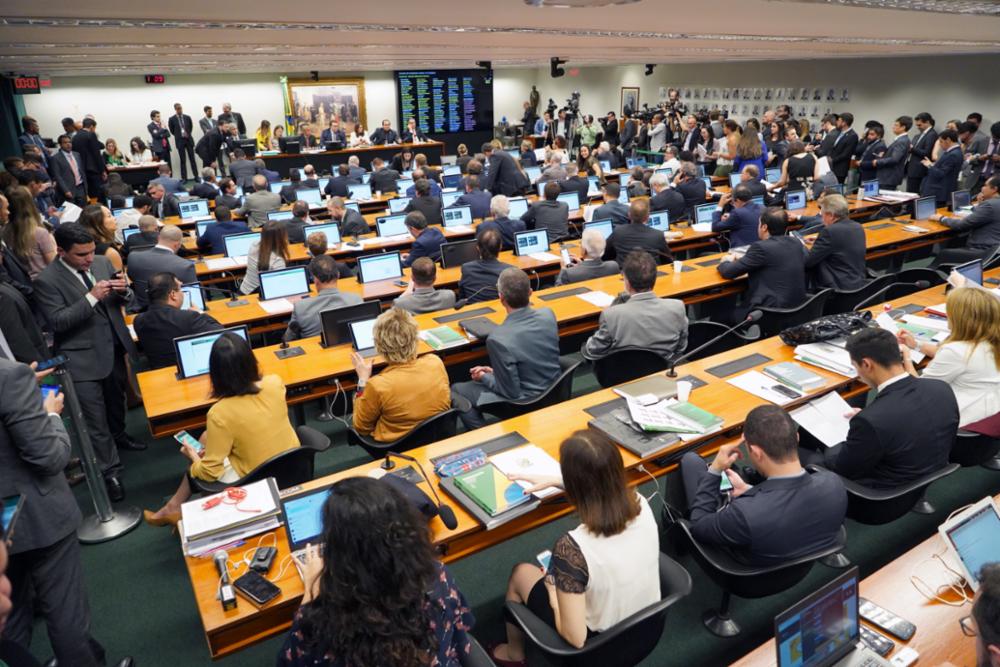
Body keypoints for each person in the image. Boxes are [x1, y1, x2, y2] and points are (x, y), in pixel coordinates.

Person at [0, 358, 133, 667]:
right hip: (37, 516)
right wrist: (50, 416)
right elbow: (50, 457)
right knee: (66, 617)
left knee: (9, 621)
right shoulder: (9, 377)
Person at [492, 430, 659, 664]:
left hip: (598, 652)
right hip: (647, 632)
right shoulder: (641, 503)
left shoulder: (572, 549)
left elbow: (575, 638)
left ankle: (513, 654)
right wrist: (557, 481)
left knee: (520, 574)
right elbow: (603, 487)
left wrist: (552, 593)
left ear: (575, 484)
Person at [276, 477, 474, 667]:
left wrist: (310, 590)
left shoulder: (321, 623)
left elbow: (288, 662)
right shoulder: (438, 576)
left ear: (339, 551)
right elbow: (463, 627)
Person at [144, 332, 300, 526]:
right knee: (205, 438)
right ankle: (174, 506)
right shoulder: (275, 382)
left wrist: (193, 457)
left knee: (198, 467)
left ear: (216, 373)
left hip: (253, 477)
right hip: (292, 463)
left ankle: (195, 514)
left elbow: (210, 473)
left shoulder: (220, 413)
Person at [33, 223, 141, 502]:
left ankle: (120, 436)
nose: (90, 259)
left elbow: (126, 299)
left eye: (92, 251)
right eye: (82, 255)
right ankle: (110, 471)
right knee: (94, 418)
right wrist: (92, 297)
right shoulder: (47, 280)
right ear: (61, 251)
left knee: (116, 401)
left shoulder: (104, 261)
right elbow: (57, 321)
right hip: (81, 358)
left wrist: (123, 291)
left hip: (115, 346)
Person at [679, 405, 847, 565]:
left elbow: (698, 525)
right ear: (796, 438)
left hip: (752, 574)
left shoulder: (744, 513)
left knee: (690, 461)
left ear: (757, 453)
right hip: (800, 562)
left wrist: (715, 470)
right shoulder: (833, 483)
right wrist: (750, 491)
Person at [800, 328, 959, 488]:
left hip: (878, 493)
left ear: (867, 364)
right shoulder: (941, 388)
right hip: (921, 474)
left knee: (791, 454)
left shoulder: (872, 420)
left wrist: (861, 429)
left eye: (855, 366)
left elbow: (844, 469)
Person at [452, 267, 560, 430]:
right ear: (530, 292)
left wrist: (483, 377)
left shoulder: (497, 339)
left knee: (457, 390)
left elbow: (510, 392)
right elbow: (529, 357)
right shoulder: (548, 314)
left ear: (500, 298)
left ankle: (482, 435)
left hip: (523, 402)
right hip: (553, 390)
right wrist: (495, 372)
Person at [897, 287, 1000, 427]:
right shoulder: (989, 340)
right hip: (988, 419)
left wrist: (906, 357)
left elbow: (919, 392)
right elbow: (956, 358)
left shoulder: (955, 351)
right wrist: (916, 344)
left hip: (960, 424)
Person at [351, 308, 451, 442]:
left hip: (397, 446)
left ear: (379, 346)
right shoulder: (435, 362)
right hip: (437, 436)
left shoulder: (377, 385)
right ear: (415, 339)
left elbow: (361, 427)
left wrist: (362, 380)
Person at [582, 251, 687, 362]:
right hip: (662, 371)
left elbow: (592, 351)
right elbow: (681, 348)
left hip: (622, 375)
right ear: (655, 279)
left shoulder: (611, 315)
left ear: (627, 282)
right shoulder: (677, 307)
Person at [717, 207, 806, 320]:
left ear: (764, 227)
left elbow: (728, 272)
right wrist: (746, 258)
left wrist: (725, 261)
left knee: (719, 316)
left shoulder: (760, 247)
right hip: (797, 308)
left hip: (768, 312)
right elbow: (776, 257)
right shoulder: (796, 242)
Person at [133, 273, 222, 369]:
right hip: (188, 371)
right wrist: (200, 313)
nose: (183, 293)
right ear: (173, 295)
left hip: (158, 376)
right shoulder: (188, 318)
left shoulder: (138, 321)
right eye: (181, 289)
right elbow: (220, 332)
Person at [279, 254, 363, 342]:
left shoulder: (300, 307)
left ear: (315, 280)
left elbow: (288, 340)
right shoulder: (356, 299)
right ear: (338, 275)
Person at [124, 225, 196, 312]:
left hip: (142, 311)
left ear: (158, 238)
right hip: (173, 314)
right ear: (177, 245)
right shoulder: (185, 265)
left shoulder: (133, 257)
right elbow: (194, 295)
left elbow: (131, 278)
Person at [804, 194, 866, 291]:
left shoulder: (829, 232)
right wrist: (820, 241)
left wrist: (802, 247)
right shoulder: (858, 227)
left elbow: (809, 262)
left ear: (831, 215)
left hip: (836, 288)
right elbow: (841, 243)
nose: (821, 216)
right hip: (857, 283)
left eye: (822, 213)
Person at [935, 175, 1000, 264]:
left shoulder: (989, 205)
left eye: (985, 185)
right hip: (995, 251)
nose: (982, 188)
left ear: (994, 189)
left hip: (983, 250)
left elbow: (961, 225)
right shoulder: (990, 204)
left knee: (944, 253)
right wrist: (981, 204)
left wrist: (941, 218)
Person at [1, 187, 55, 280]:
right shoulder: (40, 233)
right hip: (47, 282)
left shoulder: (4, 232)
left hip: (26, 283)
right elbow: (54, 265)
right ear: (30, 204)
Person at [606, 198, 672, 263]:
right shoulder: (658, 235)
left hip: (625, 272)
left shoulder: (618, 231)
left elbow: (605, 250)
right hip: (649, 272)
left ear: (629, 215)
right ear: (648, 217)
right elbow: (668, 259)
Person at [240, 220, 289, 294]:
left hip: (245, 290)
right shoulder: (277, 261)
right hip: (260, 295)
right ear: (282, 237)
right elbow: (279, 285)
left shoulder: (254, 245)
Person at [712, 185, 764, 249]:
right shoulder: (763, 207)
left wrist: (720, 205)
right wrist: (731, 217)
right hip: (760, 248)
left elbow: (715, 227)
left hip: (742, 251)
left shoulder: (737, 213)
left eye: (733, 202)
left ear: (738, 200)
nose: (733, 204)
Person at [921, 129, 963, 206]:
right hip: (939, 191)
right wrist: (933, 165)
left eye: (941, 141)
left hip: (939, 192)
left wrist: (929, 165)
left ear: (948, 140)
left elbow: (941, 173)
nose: (940, 145)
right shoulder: (954, 152)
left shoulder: (953, 154)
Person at [77, 203, 124, 272]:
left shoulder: (84, 246)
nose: (114, 218)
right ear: (97, 223)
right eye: (109, 216)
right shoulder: (110, 253)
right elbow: (119, 281)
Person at [71, 118, 107, 203]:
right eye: (94, 128)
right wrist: (102, 170)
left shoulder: (75, 137)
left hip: (81, 169)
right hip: (93, 169)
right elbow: (96, 154)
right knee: (98, 192)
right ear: (91, 127)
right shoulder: (90, 134)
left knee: (88, 193)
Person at [50, 134, 88, 207]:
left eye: (70, 142)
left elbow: (81, 171)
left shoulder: (77, 154)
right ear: (60, 144)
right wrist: (65, 190)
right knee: (72, 213)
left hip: (81, 187)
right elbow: (58, 176)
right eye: (65, 142)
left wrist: (85, 188)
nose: (68, 144)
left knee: (84, 210)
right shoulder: (55, 158)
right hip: (68, 189)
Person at [907, 112, 938, 193]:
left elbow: (927, 153)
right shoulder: (919, 135)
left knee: (914, 195)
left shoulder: (932, 134)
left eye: (919, 125)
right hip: (912, 168)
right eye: (917, 125)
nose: (918, 127)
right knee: (910, 194)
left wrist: (912, 149)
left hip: (919, 170)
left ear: (927, 122)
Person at [168, 103, 196, 180]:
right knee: (182, 160)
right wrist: (180, 135)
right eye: (178, 109)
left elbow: (190, 127)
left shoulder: (187, 117)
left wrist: (186, 134)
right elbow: (172, 131)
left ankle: (196, 176)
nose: (180, 110)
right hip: (180, 141)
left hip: (188, 140)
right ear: (175, 109)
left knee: (192, 159)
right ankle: (184, 178)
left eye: (180, 108)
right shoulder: (172, 119)